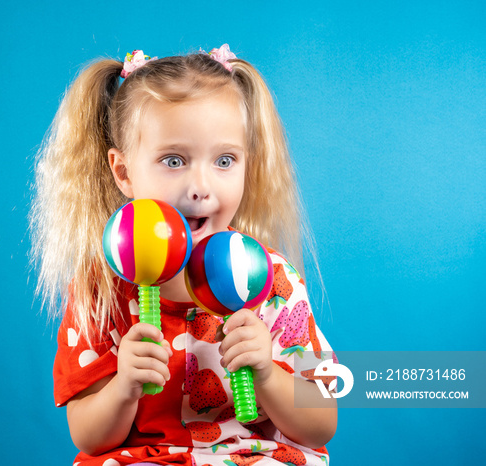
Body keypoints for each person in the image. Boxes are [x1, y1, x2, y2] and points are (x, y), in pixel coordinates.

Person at [31, 44, 337, 466]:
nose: (200, 186)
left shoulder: (271, 282)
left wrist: (267, 373)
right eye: (174, 160)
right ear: (124, 172)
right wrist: (123, 386)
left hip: (253, 456)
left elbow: (322, 423)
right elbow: (88, 437)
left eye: (224, 160)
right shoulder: (100, 291)